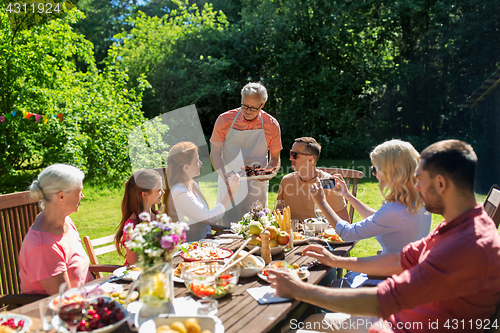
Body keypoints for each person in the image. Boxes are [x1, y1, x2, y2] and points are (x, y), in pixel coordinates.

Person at [268, 139, 500, 333]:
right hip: (403, 314)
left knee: (303, 323)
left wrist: (300, 290)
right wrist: (336, 261)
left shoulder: (463, 247)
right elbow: (400, 259)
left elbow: (384, 301)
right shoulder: (460, 225)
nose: (416, 187)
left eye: (419, 180)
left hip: (395, 323)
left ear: (440, 183)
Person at [312, 139, 431, 256]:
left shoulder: (394, 210)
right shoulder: (417, 201)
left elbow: (347, 233)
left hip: (389, 274)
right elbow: (379, 218)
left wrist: (322, 203)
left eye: (375, 169)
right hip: (408, 269)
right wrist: (347, 194)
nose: (375, 174)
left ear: (390, 171)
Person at [210, 82, 282, 226]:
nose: (248, 111)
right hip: (229, 181)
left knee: (257, 227)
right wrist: (224, 176)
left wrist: (268, 173)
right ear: (241, 100)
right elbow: (215, 153)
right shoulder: (224, 120)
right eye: (245, 105)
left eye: (253, 108)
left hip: (257, 186)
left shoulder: (271, 124)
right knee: (226, 229)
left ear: (262, 105)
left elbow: (275, 158)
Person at [19, 164, 93, 295]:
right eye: (79, 191)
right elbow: (66, 301)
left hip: (85, 297)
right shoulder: (44, 246)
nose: (82, 196)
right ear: (61, 196)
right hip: (55, 312)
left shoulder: (66, 222)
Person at [164, 141, 240, 242]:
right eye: (197, 161)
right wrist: (231, 192)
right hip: (186, 249)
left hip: (202, 244)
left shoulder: (192, 185)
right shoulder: (179, 193)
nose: (201, 163)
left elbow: (202, 215)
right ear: (186, 167)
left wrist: (208, 234)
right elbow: (209, 217)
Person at [276, 137, 349, 222]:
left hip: (320, 234)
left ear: (310, 159)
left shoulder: (328, 182)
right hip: (292, 234)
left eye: (295, 154)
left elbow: (345, 223)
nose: (290, 158)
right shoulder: (286, 180)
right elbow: (278, 214)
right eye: (290, 153)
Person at [115, 169, 164, 265]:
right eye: (159, 190)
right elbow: (134, 265)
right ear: (144, 194)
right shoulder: (132, 227)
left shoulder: (158, 217)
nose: (163, 192)